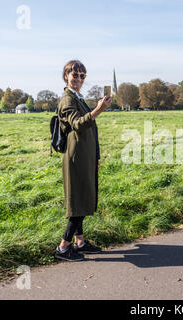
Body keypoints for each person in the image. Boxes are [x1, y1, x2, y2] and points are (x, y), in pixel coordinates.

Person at [55, 60, 112, 261]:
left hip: (85, 156)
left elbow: (91, 130)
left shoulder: (78, 97)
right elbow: (78, 124)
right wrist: (98, 110)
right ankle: (63, 247)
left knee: (84, 197)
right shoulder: (67, 99)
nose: (78, 79)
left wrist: (96, 156)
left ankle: (80, 242)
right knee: (78, 201)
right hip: (76, 157)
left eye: (82, 76)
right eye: (75, 75)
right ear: (66, 76)